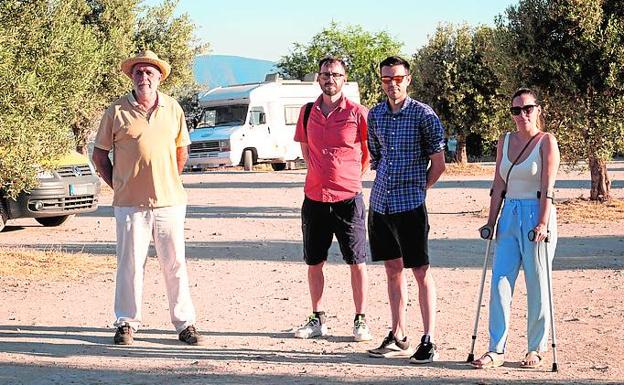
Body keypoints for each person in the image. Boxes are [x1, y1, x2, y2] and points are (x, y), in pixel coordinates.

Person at [92, 50, 202, 346]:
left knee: (175, 263)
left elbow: (182, 150)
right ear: (131, 77)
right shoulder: (116, 110)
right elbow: (99, 155)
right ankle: (126, 323)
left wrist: (169, 178)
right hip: (129, 203)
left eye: (149, 73)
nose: (143, 78)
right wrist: (120, 184)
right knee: (129, 263)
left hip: (170, 201)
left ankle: (185, 324)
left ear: (159, 77)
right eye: (138, 73)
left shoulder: (173, 108)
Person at [470, 88, 560, 369]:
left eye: (527, 109)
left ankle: (536, 348)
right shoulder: (504, 141)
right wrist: (490, 221)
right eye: (516, 110)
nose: (522, 115)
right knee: (499, 281)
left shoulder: (547, 141)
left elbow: (548, 187)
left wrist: (543, 222)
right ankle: (496, 349)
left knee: (537, 283)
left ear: (538, 110)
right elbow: (499, 185)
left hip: (537, 214)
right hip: (509, 213)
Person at [366, 56, 446, 364]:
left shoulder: (424, 115)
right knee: (392, 270)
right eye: (387, 79)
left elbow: (438, 164)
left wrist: (418, 189)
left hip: (411, 205)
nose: (392, 84)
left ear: (408, 79)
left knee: (420, 271)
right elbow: (376, 156)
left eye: (397, 78)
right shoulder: (375, 115)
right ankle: (398, 335)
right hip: (380, 205)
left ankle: (429, 339)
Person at [292, 57, 372, 342]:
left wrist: (346, 177)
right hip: (314, 198)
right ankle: (317, 318)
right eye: (325, 74)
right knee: (314, 262)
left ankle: (360, 320)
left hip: (348, 199)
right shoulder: (306, 112)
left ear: (344, 78)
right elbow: (306, 150)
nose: (330, 79)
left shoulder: (358, 113)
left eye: (336, 74)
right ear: (318, 78)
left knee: (357, 262)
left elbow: (367, 154)